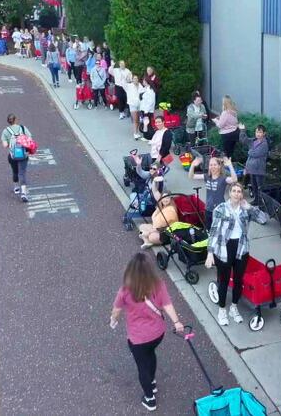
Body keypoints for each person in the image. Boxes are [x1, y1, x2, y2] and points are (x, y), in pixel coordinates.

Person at [110, 251, 185, 412]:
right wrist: (176, 322)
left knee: (142, 366)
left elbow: (116, 310)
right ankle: (152, 382)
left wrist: (113, 320)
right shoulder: (158, 284)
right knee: (151, 354)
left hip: (137, 338)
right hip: (157, 333)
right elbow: (167, 304)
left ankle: (149, 398)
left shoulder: (125, 290)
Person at [204, 184, 268, 326]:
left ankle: (234, 307)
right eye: (234, 191)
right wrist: (210, 252)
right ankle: (222, 310)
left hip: (241, 248)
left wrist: (250, 207)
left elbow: (263, 219)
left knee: (239, 280)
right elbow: (214, 231)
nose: (236, 193)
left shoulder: (245, 210)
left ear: (242, 195)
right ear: (229, 193)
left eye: (239, 191)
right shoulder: (220, 209)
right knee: (224, 280)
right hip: (224, 249)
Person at [189, 155, 239, 228]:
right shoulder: (207, 177)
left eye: (215, 165)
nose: (212, 167)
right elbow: (191, 176)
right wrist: (192, 165)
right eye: (211, 165)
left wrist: (230, 166)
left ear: (219, 166)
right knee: (208, 230)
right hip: (208, 209)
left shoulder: (223, 179)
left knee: (219, 230)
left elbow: (234, 180)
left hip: (220, 210)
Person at [0, 114, 33, 202]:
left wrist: (11, 145)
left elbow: (5, 145)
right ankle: (23, 193)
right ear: (16, 120)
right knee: (22, 173)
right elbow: (30, 139)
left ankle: (16, 187)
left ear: (8, 121)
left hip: (13, 156)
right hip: (23, 155)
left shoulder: (5, 131)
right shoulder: (22, 128)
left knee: (15, 171)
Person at [238, 123, 269, 203]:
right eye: (257, 132)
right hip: (251, 169)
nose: (258, 134)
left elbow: (255, 154)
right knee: (254, 186)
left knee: (260, 187)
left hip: (259, 170)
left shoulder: (264, 144)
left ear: (264, 133)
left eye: (260, 132)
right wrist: (242, 130)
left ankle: (262, 202)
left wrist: (249, 152)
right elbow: (243, 140)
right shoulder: (253, 141)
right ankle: (256, 200)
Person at [127, 74, 143, 140]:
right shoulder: (129, 86)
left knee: (138, 120)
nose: (135, 80)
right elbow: (122, 83)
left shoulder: (140, 85)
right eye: (134, 78)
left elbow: (143, 92)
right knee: (135, 119)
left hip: (139, 104)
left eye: (136, 78)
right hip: (132, 104)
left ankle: (137, 132)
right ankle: (135, 133)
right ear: (132, 79)